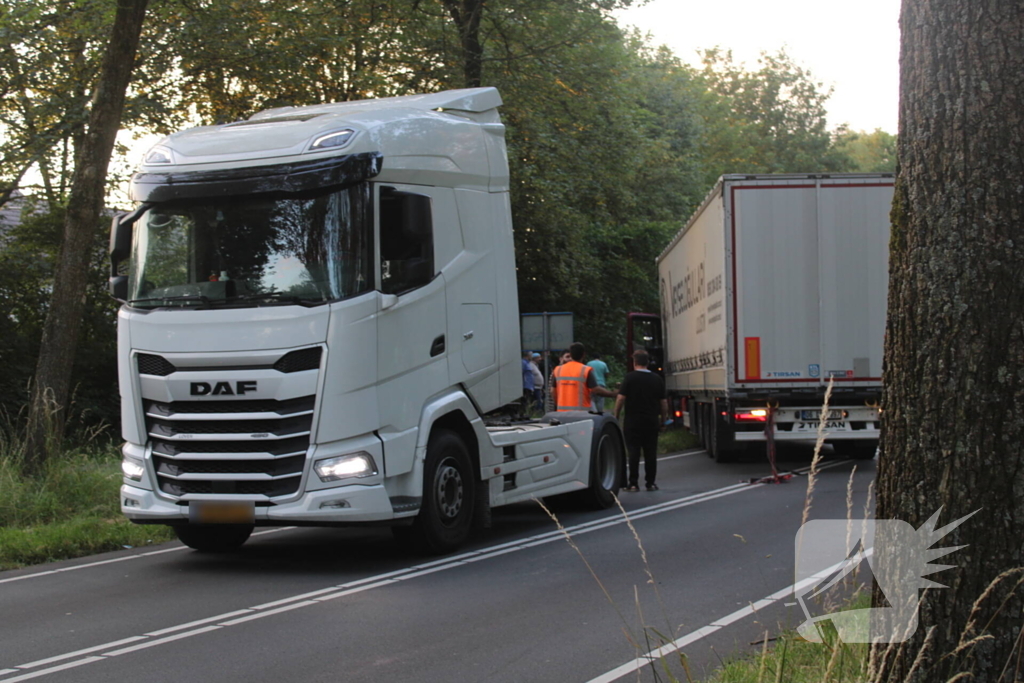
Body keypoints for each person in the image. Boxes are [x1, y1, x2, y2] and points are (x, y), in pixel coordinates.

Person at [614, 350, 668, 492]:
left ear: (634, 362)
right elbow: (663, 402)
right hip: (651, 421)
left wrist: (616, 416)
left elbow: (620, 398)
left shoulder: (629, 378)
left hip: (632, 421)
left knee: (633, 452)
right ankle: (650, 483)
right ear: (647, 362)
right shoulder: (657, 379)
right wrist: (663, 420)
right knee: (651, 452)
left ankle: (633, 483)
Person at [552, 342, 617, 412]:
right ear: (584, 355)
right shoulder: (585, 370)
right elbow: (596, 390)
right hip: (581, 413)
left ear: (571, 355)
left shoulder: (558, 370)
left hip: (562, 412)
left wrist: (558, 404)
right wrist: (612, 394)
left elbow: (552, 391)